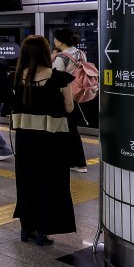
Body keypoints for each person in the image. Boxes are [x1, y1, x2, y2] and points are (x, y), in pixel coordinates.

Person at [11, 35, 77, 245]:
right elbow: (69, 108)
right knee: (50, 182)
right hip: (51, 141)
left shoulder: (17, 78)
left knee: (26, 179)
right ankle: (43, 230)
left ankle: (26, 227)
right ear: (44, 52)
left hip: (25, 140)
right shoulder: (59, 78)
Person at [52, 28, 90, 172]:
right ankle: (77, 161)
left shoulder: (62, 58)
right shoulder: (81, 53)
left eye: (55, 38)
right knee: (71, 129)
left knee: (67, 130)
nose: (54, 41)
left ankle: (77, 162)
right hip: (78, 94)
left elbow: (57, 79)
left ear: (60, 41)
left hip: (65, 97)